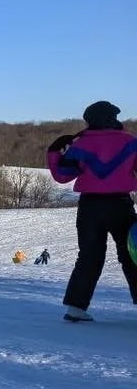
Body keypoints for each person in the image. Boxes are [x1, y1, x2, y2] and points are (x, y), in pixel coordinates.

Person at [47, 100, 137, 322]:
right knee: (132, 256)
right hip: (120, 205)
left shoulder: (79, 145)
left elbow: (62, 175)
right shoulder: (131, 142)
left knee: (89, 257)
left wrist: (54, 152)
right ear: (113, 118)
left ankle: (75, 309)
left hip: (89, 207)